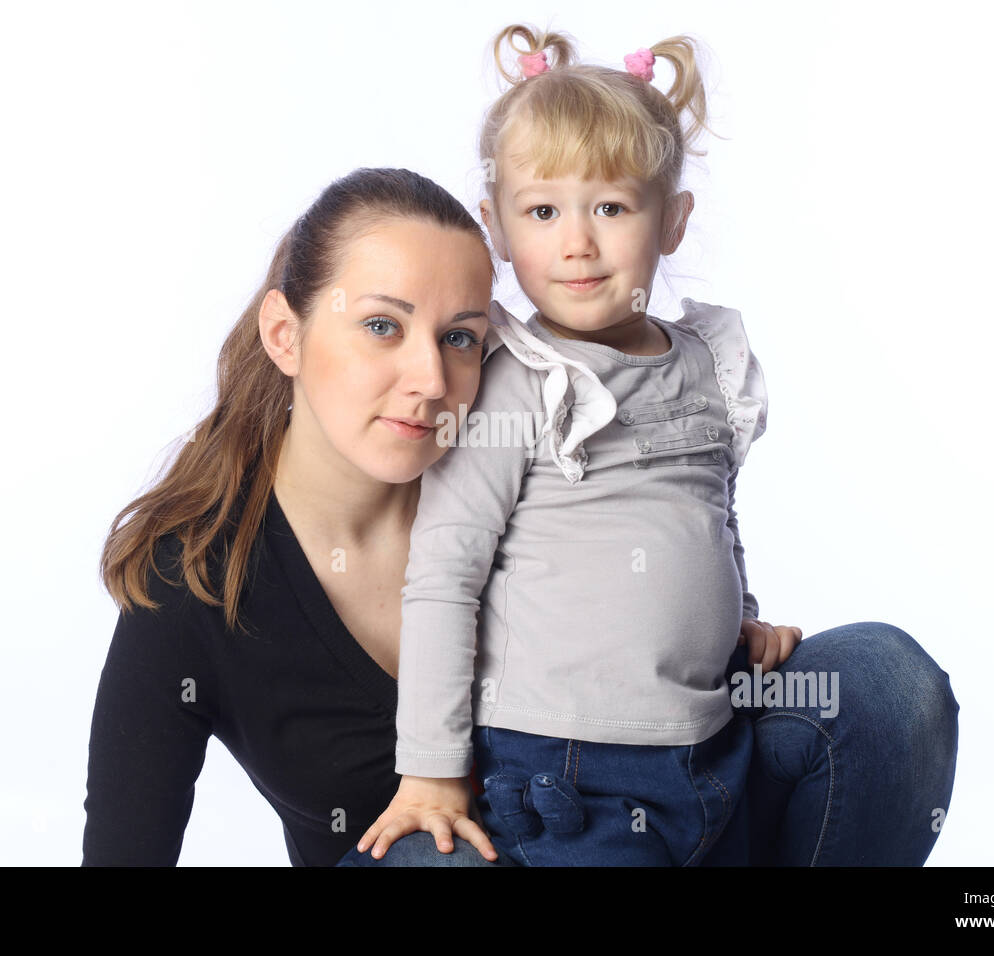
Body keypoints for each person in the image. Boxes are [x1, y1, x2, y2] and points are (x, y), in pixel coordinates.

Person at [350, 24, 960, 866]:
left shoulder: (706, 362)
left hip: (711, 743)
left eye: (611, 206)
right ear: (495, 226)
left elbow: (709, 508)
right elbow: (445, 577)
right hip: (567, 774)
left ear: (671, 221)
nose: (577, 242)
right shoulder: (513, 378)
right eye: (542, 211)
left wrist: (740, 619)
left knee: (892, 676)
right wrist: (429, 771)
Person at [82, 166, 503, 866]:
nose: (431, 379)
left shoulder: (528, 497)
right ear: (284, 334)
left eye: (460, 337)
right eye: (382, 326)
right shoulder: (195, 582)